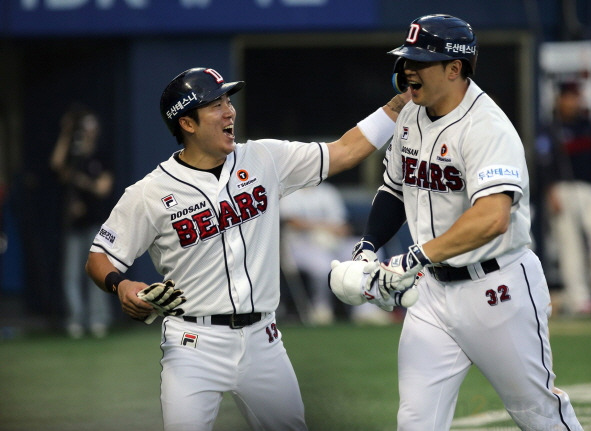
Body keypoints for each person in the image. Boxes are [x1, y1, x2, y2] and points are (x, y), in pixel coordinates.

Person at [84, 66, 408, 431]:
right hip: (193, 344)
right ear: (187, 124)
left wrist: (401, 101)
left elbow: (346, 150)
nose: (229, 111)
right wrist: (119, 284)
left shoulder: (264, 159)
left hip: (263, 341)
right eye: (215, 105)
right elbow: (99, 257)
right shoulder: (150, 193)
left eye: (228, 100)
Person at [342, 14, 583, 430]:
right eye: (406, 59)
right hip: (432, 294)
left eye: (420, 61)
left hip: (498, 289)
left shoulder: (486, 126)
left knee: (537, 413)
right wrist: (368, 245)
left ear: (455, 69)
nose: (407, 70)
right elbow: (395, 190)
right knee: (416, 419)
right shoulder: (410, 117)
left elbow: (492, 218)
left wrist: (412, 257)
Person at [536, 80, 591, 315]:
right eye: (569, 97)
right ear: (559, 99)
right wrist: (550, 191)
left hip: (589, 188)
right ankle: (579, 298)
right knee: (570, 247)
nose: (573, 101)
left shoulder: (587, 125)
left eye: (576, 97)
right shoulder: (549, 127)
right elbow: (543, 163)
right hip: (562, 188)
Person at [279, 182, 391, 325]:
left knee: (367, 253)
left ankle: (366, 310)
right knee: (323, 266)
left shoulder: (327, 191)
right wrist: (320, 228)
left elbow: (342, 225)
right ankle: (321, 308)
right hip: (300, 246)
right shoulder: (288, 192)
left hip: (332, 242)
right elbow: (291, 221)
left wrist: (332, 231)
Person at [50, 103, 114, 338]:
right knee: (71, 275)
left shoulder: (101, 156)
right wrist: (66, 133)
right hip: (72, 225)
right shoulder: (72, 156)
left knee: (97, 273)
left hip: (96, 224)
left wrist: (78, 180)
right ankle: (76, 320)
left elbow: (102, 188)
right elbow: (56, 164)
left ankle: (97, 320)